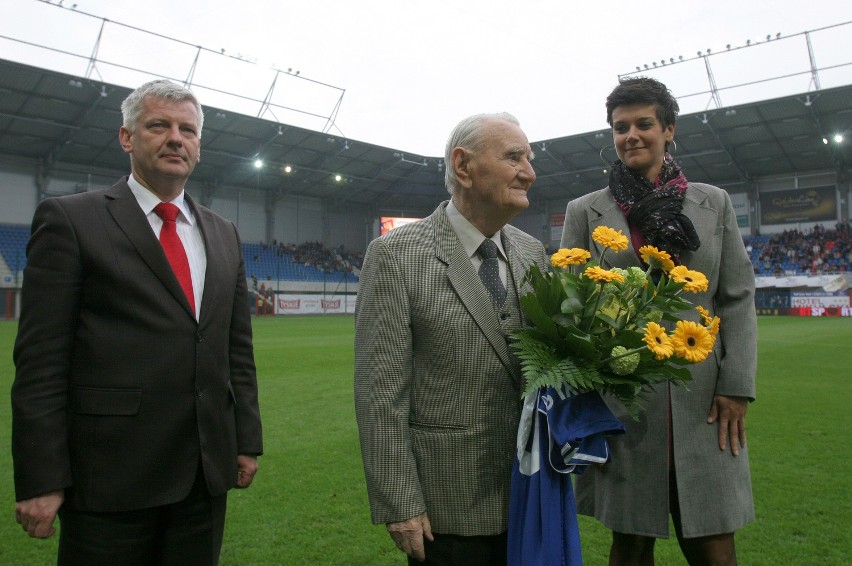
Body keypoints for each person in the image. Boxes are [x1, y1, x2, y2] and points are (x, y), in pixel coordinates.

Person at [11, 79, 263, 565]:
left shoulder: (224, 233)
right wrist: (42, 478)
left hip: (203, 475)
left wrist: (245, 439)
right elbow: (41, 362)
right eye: (158, 126)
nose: (176, 138)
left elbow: (237, 349)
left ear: (199, 145)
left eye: (187, 130)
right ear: (127, 137)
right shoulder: (71, 220)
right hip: (109, 476)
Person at [561, 77, 757, 565]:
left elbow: (736, 296)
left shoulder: (714, 204)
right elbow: (573, 300)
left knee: (714, 541)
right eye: (620, 127)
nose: (631, 135)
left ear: (669, 129)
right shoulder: (585, 211)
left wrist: (736, 385)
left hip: (705, 401)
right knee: (629, 543)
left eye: (644, 124)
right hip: (622, 402)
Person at [354, 112, 547, 565]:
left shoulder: (531, 251)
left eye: (530, 158)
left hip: (529, 494)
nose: (530, 172)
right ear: (463, 166)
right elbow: (380, 394)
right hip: (447, 507)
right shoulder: (395, 255)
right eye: (514, 157)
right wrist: (400, 502)